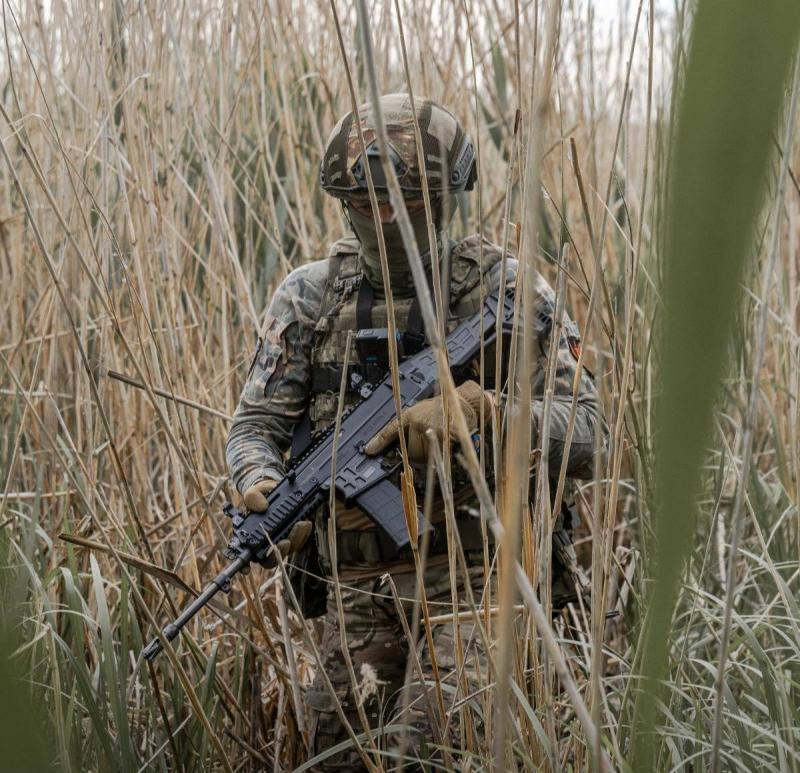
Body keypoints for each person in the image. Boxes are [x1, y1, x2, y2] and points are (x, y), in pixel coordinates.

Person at [226, 93, 604, 771]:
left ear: (446, 199)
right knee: (336, 755)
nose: (383, 219)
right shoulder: (310, 299)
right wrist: (261, 481)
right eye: (364, 202)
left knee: (429, 748)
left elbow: (590, 433)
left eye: (404, 202)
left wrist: (484, 413)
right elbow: (255, 425)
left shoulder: (507, 291)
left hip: (479, 584)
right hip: (359, 591)